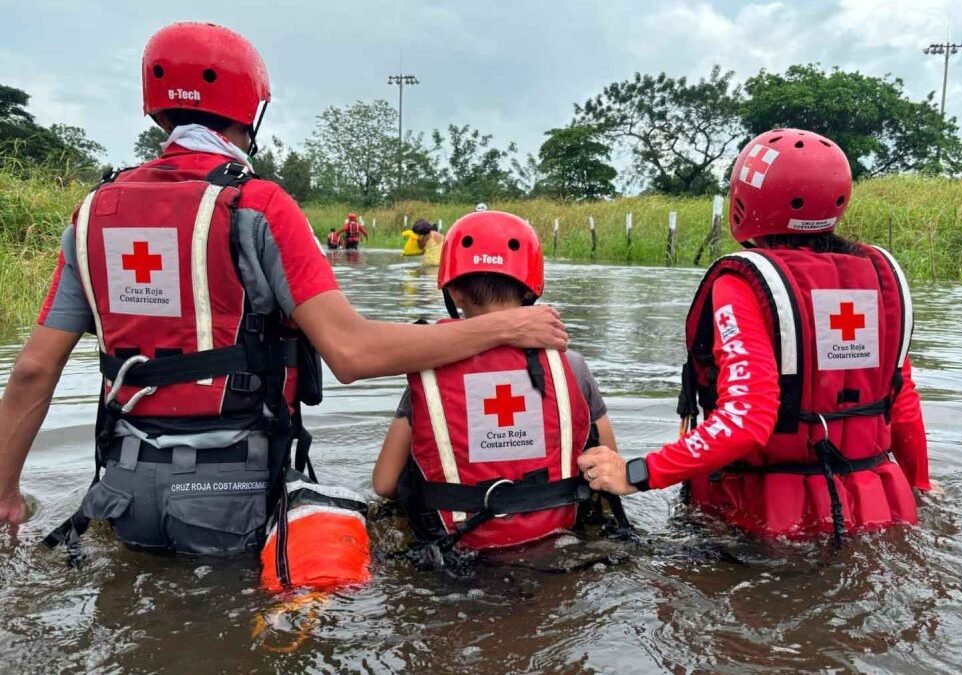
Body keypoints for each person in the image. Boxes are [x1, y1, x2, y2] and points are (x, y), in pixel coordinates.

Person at [0, 22, 566, 558]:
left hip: (121, 489)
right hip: (234, 494)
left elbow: (32, 370)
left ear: (155, 105)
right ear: (252, 107)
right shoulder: (259, 205)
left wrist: (6, 495)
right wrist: (505, 326)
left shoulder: (93, 212)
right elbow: (353, 354)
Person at [579, 129, 931, 543]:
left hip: (769, 519)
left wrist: (636, 473)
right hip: (882, 509)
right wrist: (921, 486)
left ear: (745, 200)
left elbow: (747, 419)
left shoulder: (745, 282)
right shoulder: (880, 276)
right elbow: (902, 401)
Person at [373, 210, 620, 552]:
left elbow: (385, 482)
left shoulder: (430, 372)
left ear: (454, 292)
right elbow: (608, 461)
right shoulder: (572, 367)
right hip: (557, 543)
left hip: (460, 553)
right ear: (531, 289)